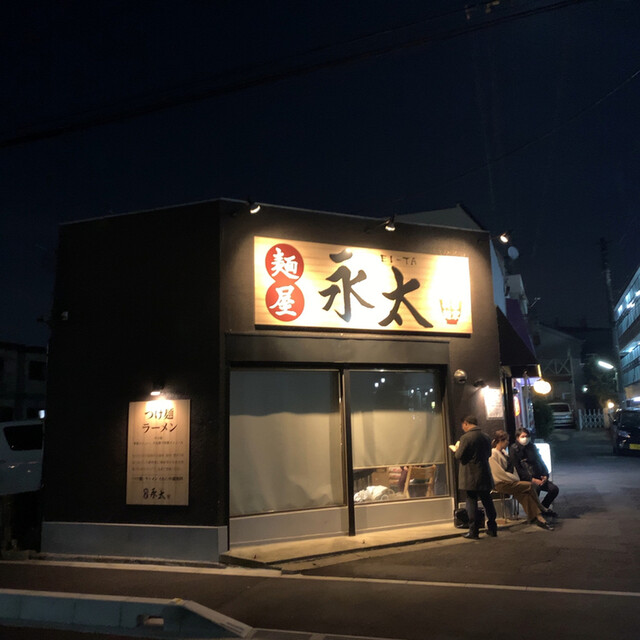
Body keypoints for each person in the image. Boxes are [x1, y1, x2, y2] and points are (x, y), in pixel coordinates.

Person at [489, 430, 554, 530]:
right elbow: (499, 473)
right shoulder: (493, 454)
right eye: (506, 440)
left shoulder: (503, 453)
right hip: (502, 483)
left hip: (510, 481)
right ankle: (541, 508)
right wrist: (514, 478)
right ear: (500, 441)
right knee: (530, 485)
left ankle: (538, 518)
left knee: (525, 495)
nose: (507, 442)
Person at [451, 415, 497, 539]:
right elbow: (488, 454)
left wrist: (456, 449)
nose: (463, 428)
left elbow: (459, 455)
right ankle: (492, 528)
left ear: (466, 423)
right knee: (487, 500)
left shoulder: (466, 438)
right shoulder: (486, 437)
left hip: (470, 475)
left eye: (463, 425)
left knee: (471, 502)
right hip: (484, 473)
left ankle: (474, 531)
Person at [509, 428, 559, 516]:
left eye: (527, 436)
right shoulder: (514, 449)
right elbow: (518, 469)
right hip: (526, 479)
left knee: (554, 489)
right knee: (536, 489)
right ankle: (536, 513)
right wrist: (532, 479)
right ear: (517, 438)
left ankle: (542, 508)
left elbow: (540, 461)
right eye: (523, 436)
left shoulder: (532, 447)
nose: (525, 438)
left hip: (539, 476)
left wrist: (545, 475)